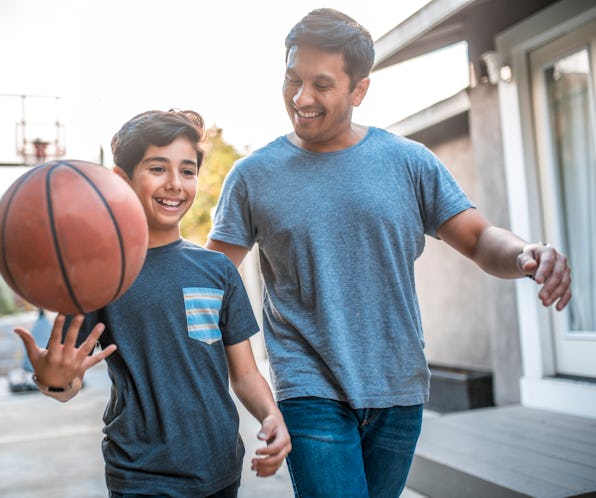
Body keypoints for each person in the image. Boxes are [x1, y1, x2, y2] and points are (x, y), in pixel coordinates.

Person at [206, 8, 572, 498]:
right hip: (307, 386)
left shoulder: (409, 162)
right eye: (292, 80)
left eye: (321, 84)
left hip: (397, 385)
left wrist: (527, 252)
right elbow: (212, 281)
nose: (301, 98)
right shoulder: (253, 177)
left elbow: (480, 239)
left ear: (359, 90)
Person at [15, 109, 291, 498]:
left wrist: (271, 414)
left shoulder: (217, 270)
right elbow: (68, 381)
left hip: (220, 469)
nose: (176, 184)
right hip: (141, 475)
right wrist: (52, 377)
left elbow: (244, 374)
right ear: (121, 180)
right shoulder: (98, 276)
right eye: (158, 169)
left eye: (188, 171)